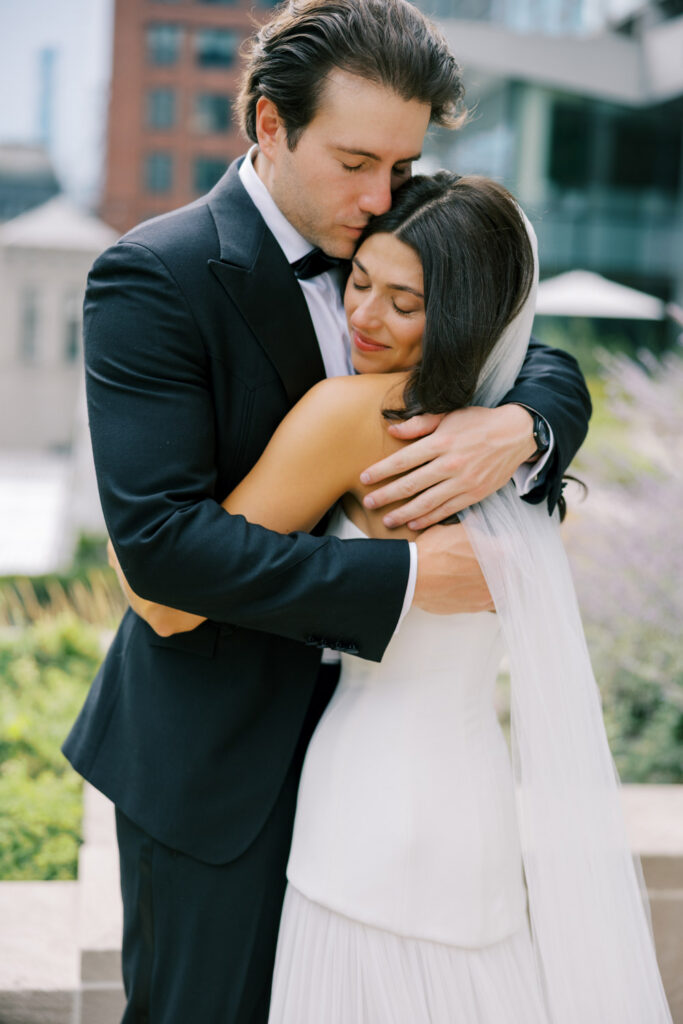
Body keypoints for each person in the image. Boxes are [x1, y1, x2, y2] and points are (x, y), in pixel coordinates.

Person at [63, 1, 591, 1020]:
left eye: (399, 163)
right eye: (355, 161)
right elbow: (162, 547)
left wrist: (525, 421)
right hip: (213, 768)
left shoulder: (392, 218)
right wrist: (398, 582)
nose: (382, 192)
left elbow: (526, 345)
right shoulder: (153, 276)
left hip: (376, 770)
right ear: (268, 124)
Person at [121, 173, 672, 1023]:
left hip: (365, 802)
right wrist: (529, 426)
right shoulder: (507, 436)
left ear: (463, 313)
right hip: (476, 808)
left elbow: (168, 589)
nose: (364, 319)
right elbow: (546, 372)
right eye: (360, 282)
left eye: (404, 302)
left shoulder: (353, 414)